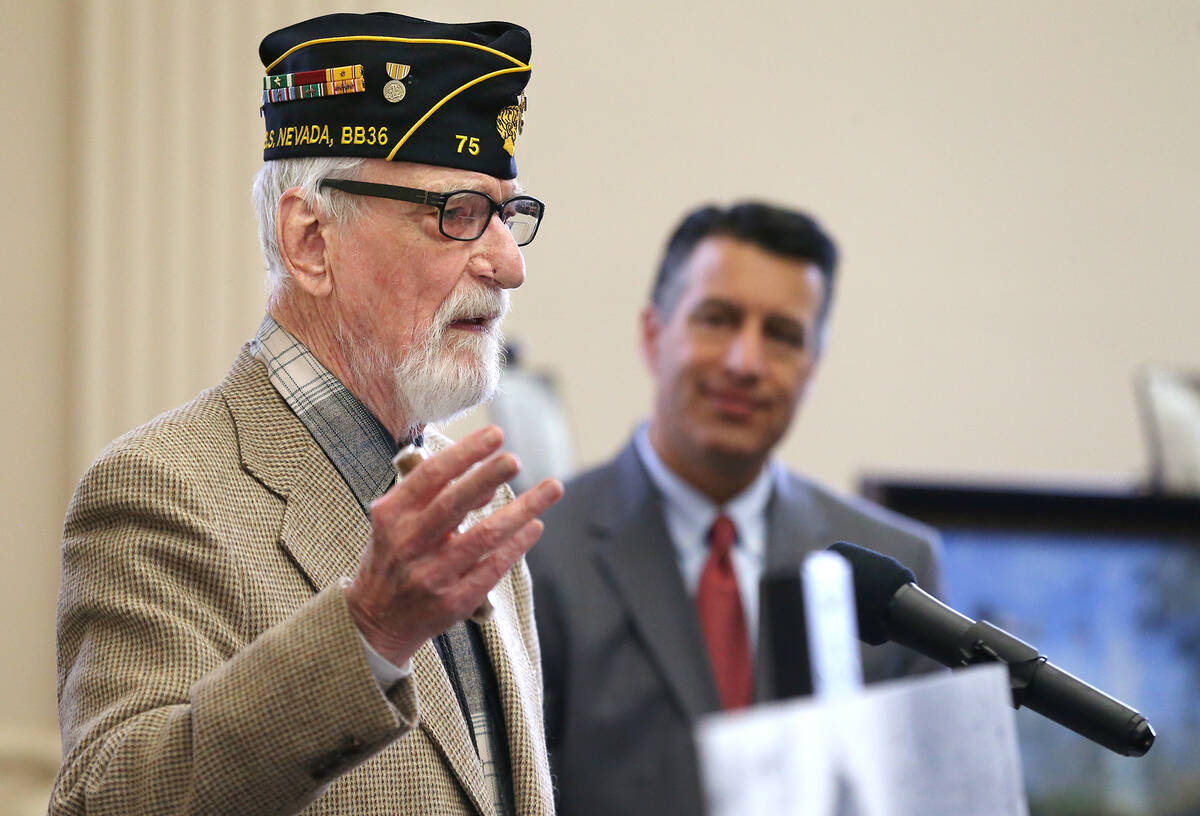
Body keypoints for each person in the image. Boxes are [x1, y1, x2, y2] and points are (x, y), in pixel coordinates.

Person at [51, 12, 563, 816]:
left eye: (507, 213)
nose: (509, 264)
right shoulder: (162, 489)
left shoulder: (479, 500)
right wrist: (365, 631)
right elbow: (107, 801)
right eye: (457, 213)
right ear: (311, 240)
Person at [526, 202, 944, 816]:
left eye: (782, 335)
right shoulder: (536, 554)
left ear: (812, 368)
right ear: (652, 334)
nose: (744, 363)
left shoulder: (896, 568)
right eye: (717, 320)